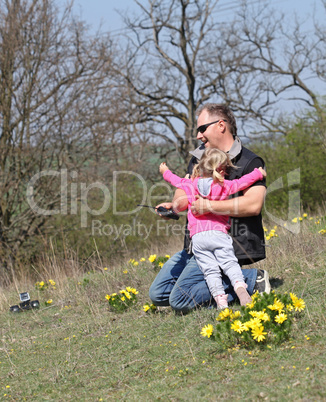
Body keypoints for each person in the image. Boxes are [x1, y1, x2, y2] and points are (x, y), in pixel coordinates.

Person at [149, 103, 270, 312]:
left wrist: (209, 206)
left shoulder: (250, 162)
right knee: (158, 294)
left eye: (202, 128)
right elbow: (184, 192)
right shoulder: (199, 158)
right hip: (196, 244)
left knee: (178, 300)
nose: (198, 135)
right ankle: (220, 284)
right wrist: (174, 207)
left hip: (226, 245)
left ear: (221, 125)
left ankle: (253, 279)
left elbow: (253, 204)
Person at [159, 148, 266, 309]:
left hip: (198, 238)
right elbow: (242, 182)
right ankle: (240, 287)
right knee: (229, 264)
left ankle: (220, 301)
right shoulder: (224, 186)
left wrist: (164, 170)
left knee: (210, 271)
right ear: (221, 169)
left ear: (201, 167)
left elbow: (173, 179)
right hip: (218, 234)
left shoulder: (190, 184)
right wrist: (258, 174)